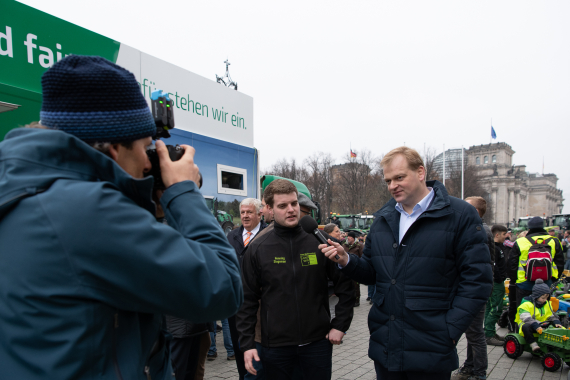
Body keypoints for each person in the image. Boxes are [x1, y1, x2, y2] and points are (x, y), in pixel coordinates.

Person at [0, 55, 243, 379]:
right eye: (145, 148)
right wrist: (183, 192)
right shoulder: (85, 212)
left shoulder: (22, 189)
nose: (149, 164)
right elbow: (223, 287)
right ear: (114, 148)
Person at [320, 146, 492, 379]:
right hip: (387, 346)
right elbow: (372, 273)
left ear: (421, 172)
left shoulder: (460, 214)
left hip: (432, 347)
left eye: (399, 177)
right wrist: (346, 260)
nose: (392, 186)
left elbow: (477, 281)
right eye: (388, 180)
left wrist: (450, 330)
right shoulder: (383, 219)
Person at [237, 179, 354, 380]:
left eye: (294, 204)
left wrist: (340, 325)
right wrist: (247, 345)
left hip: (317, 344)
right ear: (269, 208)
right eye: (282, 206)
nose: (291, 210)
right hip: (275, 348)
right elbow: (246, 300)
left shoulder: (320, 241)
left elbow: (346, 285)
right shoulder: (258, 248)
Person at [451, 197, 495, 380]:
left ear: (475, 211)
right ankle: (470, 366)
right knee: (471, 331)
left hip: (473, 291)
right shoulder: (476, 228)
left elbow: (478, 268)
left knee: (476, 333)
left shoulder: (479, 230)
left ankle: (479, 373)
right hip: (469, 289)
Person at [226, 198, 268, 380]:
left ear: (260, 213)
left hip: (262, 304)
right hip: (236, 303)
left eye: (249, 212)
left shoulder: (269, 234)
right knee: (239, 345)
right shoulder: (231, 237)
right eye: (242, 212)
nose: (244, 216)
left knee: (261, 349)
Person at [509, 216, 563, 309]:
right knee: (543, 311)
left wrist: (514, 280)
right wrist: (553, 279)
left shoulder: (520, 241)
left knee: (524, 311)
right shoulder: (554, 241)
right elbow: (560, 263)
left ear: (529, 228)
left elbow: (512, 264)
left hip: (524, 282)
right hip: (546, 282)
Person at [515, 279, 563, 353]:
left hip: (542, 324)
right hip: (530, 325)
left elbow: (551, 315)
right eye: (543, 298)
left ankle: (557, 344)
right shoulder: (526, 305)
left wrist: (556, 322)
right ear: (536, 296)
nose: (545, 300)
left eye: (547, 298)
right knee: (526, 327)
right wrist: (536, 326)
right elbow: (526, 318)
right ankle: (533, 344)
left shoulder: (547, 303)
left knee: (558, 327)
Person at [484, 225, 508, 346]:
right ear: (497, 235)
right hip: (496, 282)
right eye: (504, 234)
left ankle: (490, 332)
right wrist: (499, 278)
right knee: (496, 308)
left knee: (490, 307)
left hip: (498, 281)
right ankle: (488, 334)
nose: (506, 236)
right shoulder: (494, 248)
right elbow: (494, 265)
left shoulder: (500, 247)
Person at [342, 231, 364, 307]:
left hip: (355, 268)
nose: (348, 238)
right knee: (347, 285)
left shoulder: (359, 245)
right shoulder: (344, 245)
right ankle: (349, 299)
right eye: (348, 237)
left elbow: (362, 256)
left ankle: (356, 300)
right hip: (346, 268)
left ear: (353, 238)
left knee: (356, 285)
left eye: (350, 237)